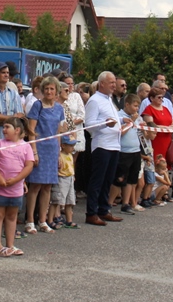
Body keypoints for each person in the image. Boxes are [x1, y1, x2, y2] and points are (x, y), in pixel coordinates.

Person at [0, 118, 34, 257]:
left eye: (7, 127)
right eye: (4, 126)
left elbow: (29, 165)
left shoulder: (26, 146)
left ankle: (10, 245)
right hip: (0, 187)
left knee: (12, 216)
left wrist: (17, 180)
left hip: (16, 188)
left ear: (17, 130)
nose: (4, 130)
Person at [84, 72, 124, 226]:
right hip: (102, 144)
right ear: (102, 84)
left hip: (114, 144)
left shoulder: (109, 99)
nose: (114, 85)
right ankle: (91, 212)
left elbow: (110, 117)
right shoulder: (94, 101)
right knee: (98, 180)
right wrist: (105, 124)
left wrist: (121, 119)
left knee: (108, 180)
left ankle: (103, 209)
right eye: (111, 82)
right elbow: (89, 125)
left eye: (115, 82)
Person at [26, 76, 64, 233]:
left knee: (47, 187)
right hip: (39, 148)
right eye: (46, 88)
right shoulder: (37, 105)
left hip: (52, 149)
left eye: (52, 89)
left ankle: (43, 220)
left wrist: (59, 153)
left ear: (56, 91)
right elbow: (31, 131)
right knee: (35, 186)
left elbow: (58, 133)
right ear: (42, 90)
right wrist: (33, 152)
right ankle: (29, 221)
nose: (49, 91)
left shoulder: (59, 108)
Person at [112, 93, 145, 213]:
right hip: (124, 151)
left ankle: (126, 204)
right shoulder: (120, 116)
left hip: (135, 150)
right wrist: (131, 122)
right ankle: (108, 203)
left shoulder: (136, 117)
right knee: (119, 179)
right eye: (135, 106)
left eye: (138, 106)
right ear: (127, 104)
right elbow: (120, 132)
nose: (137, 109)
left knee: (132, 179)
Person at [51, 135, 79, 228]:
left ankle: (69, 220)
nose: (72, 148)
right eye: (70, 146)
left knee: (69, 201)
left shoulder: (70, 155)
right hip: (61, 178)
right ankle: (51, 220)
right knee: (56, 200)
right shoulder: (59, 155)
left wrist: (73, 175)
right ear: (63, 145)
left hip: (70, 178)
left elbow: (72, 166)